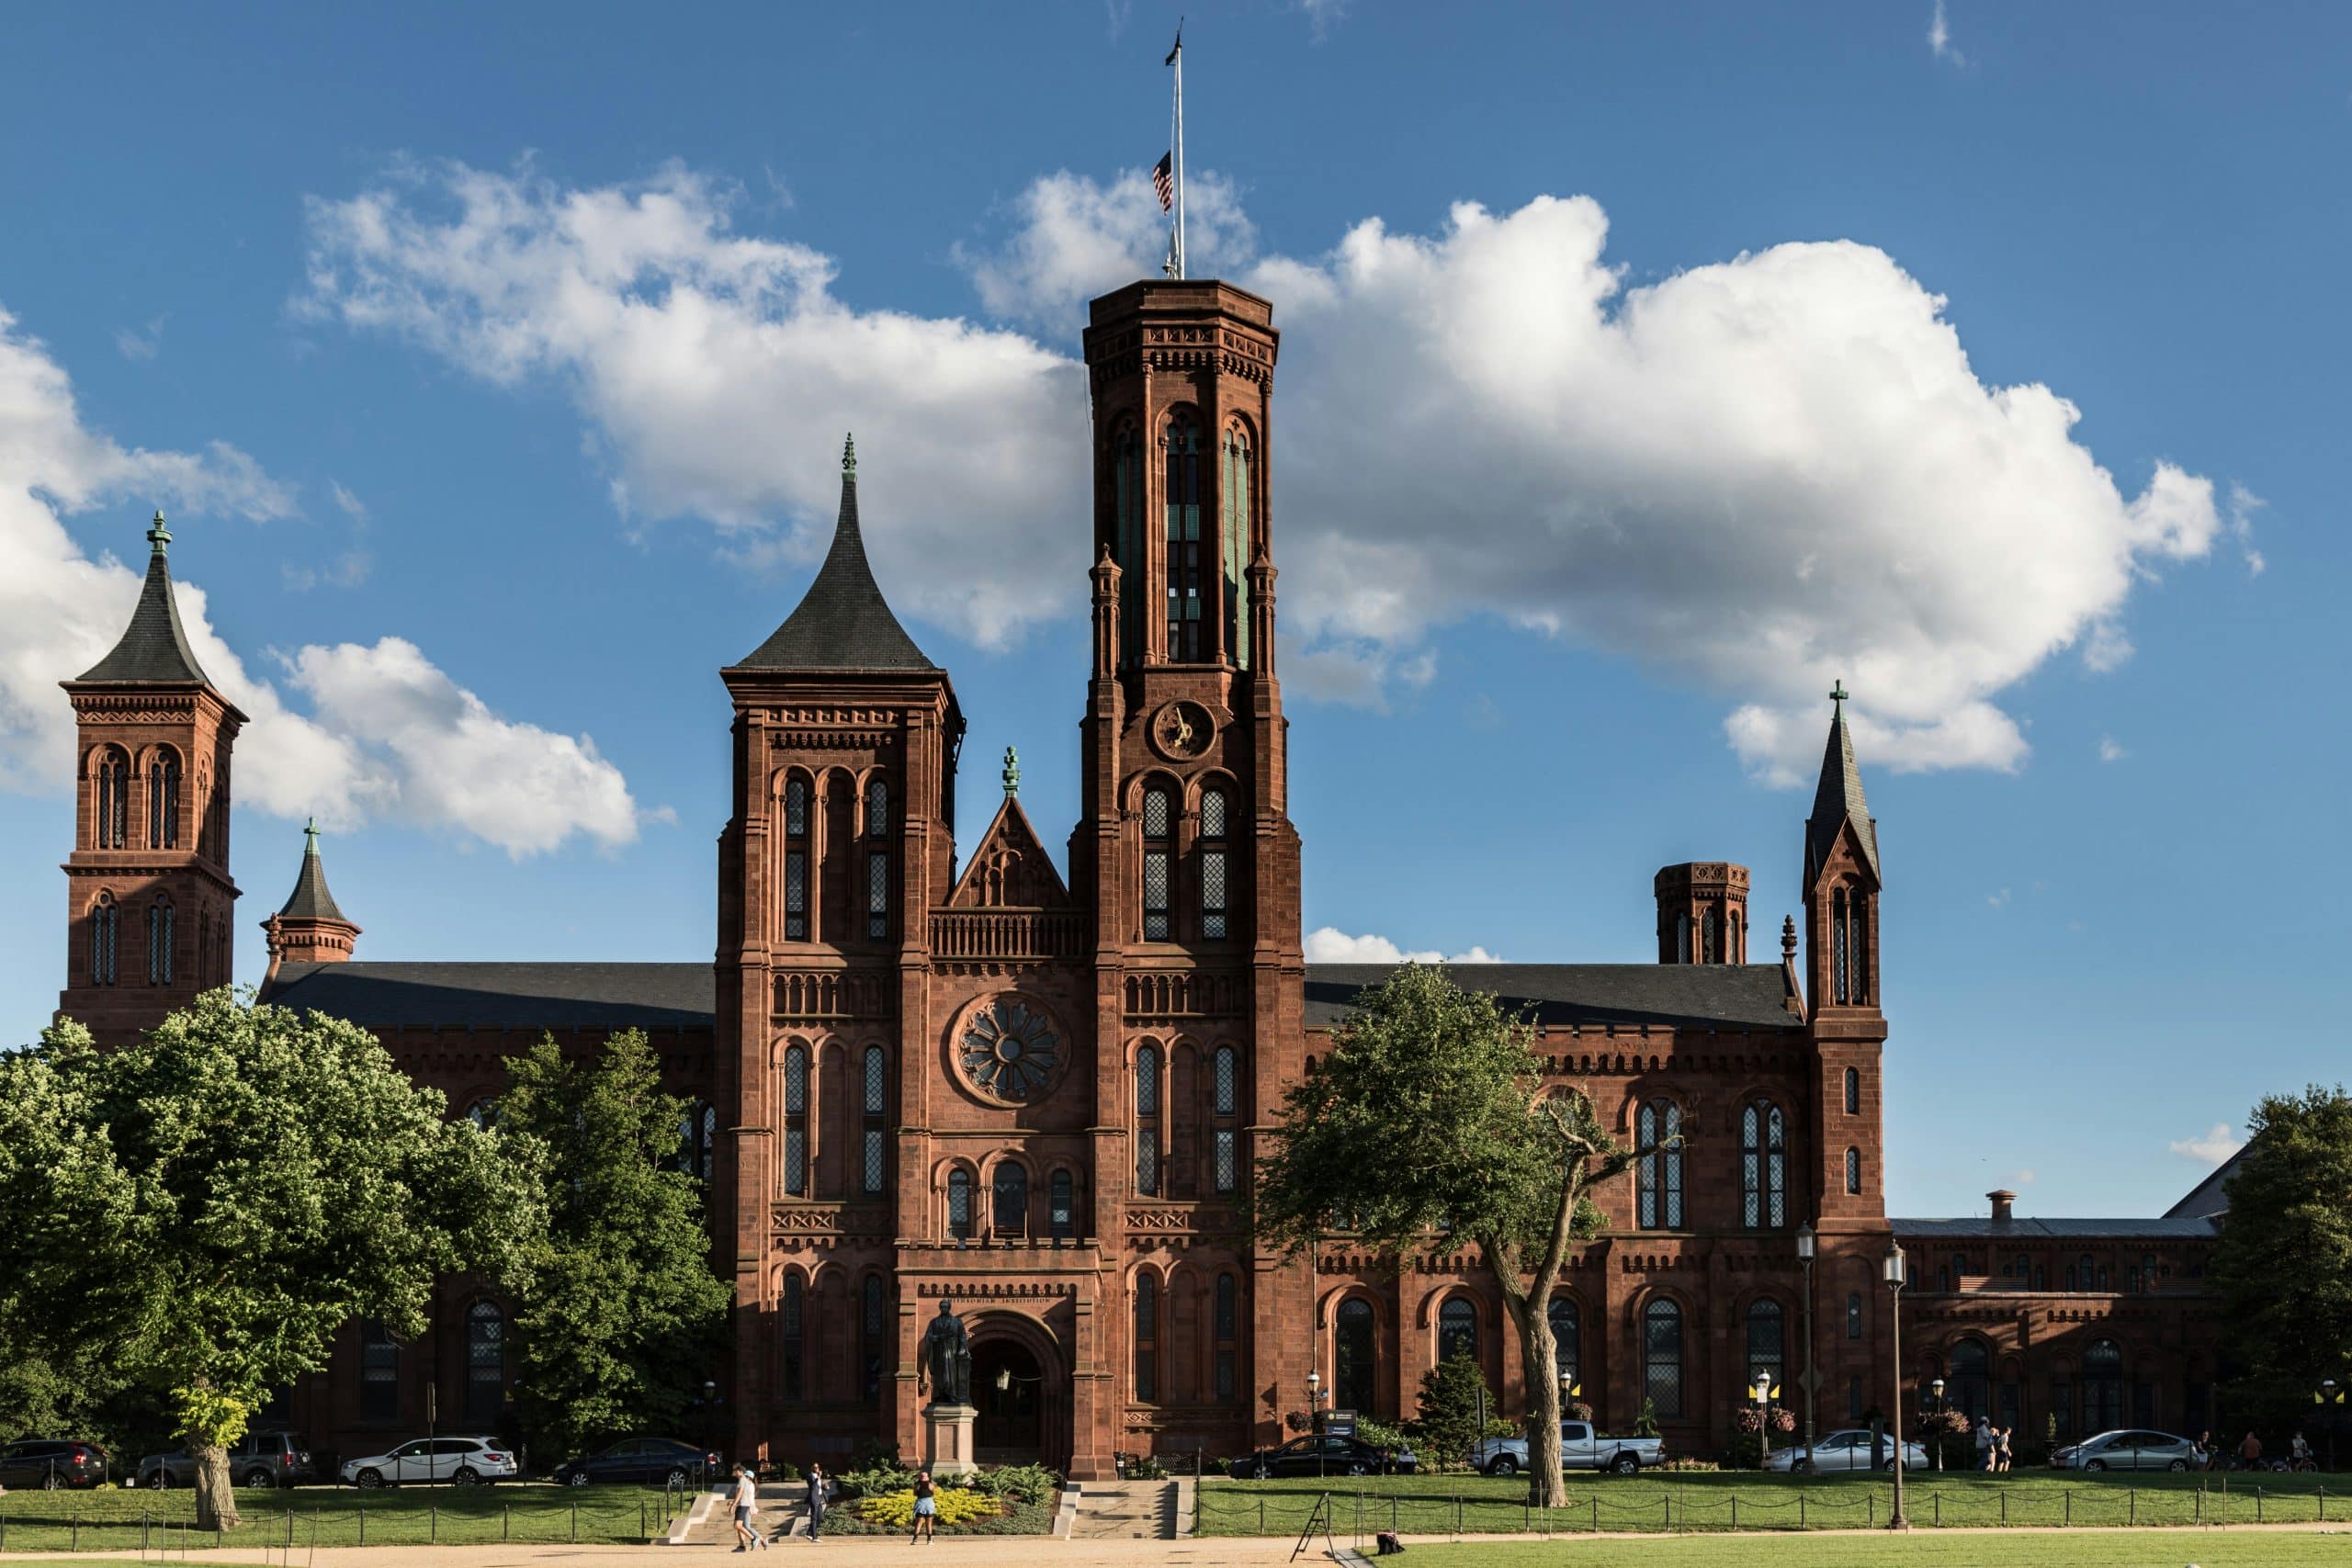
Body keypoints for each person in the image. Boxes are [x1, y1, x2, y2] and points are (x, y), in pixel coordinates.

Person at [731, 1466, 763, 1553]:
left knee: (740, 1526)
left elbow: (741, 1493)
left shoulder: (744, 1481)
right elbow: (741, 1493)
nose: (735, 1473)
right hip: (744, 1505)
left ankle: (755, 1539)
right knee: (741, 1527)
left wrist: (734, 1504)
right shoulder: (747, 1482)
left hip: (744, 1505)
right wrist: (734, 1502)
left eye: (736, 1471)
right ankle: (742, 1546)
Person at [803, 1462, 830, 1544]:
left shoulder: (819, 1478)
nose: (817, 1468)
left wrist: (825, 1487)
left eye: (817, 1467)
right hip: (813, 1499)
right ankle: (814, 1537)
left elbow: (819, 1487)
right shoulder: (810, 1476)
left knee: (820, 1517)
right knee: (814, 1518)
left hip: (820, 1499)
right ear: (812, 1468)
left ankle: (808, 1533)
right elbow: (813, 1487)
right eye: (815, 1467)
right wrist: (818, 1477)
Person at [910, 1469, 938, 1544]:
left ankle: (914, 1540)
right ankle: (929, 1540)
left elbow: (914, 1494)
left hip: (920, 1504)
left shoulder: (917, 1486)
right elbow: (934, 1493)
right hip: (929, 1503)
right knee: (929, 1523)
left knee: (919, 1523)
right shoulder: (931, 1485)